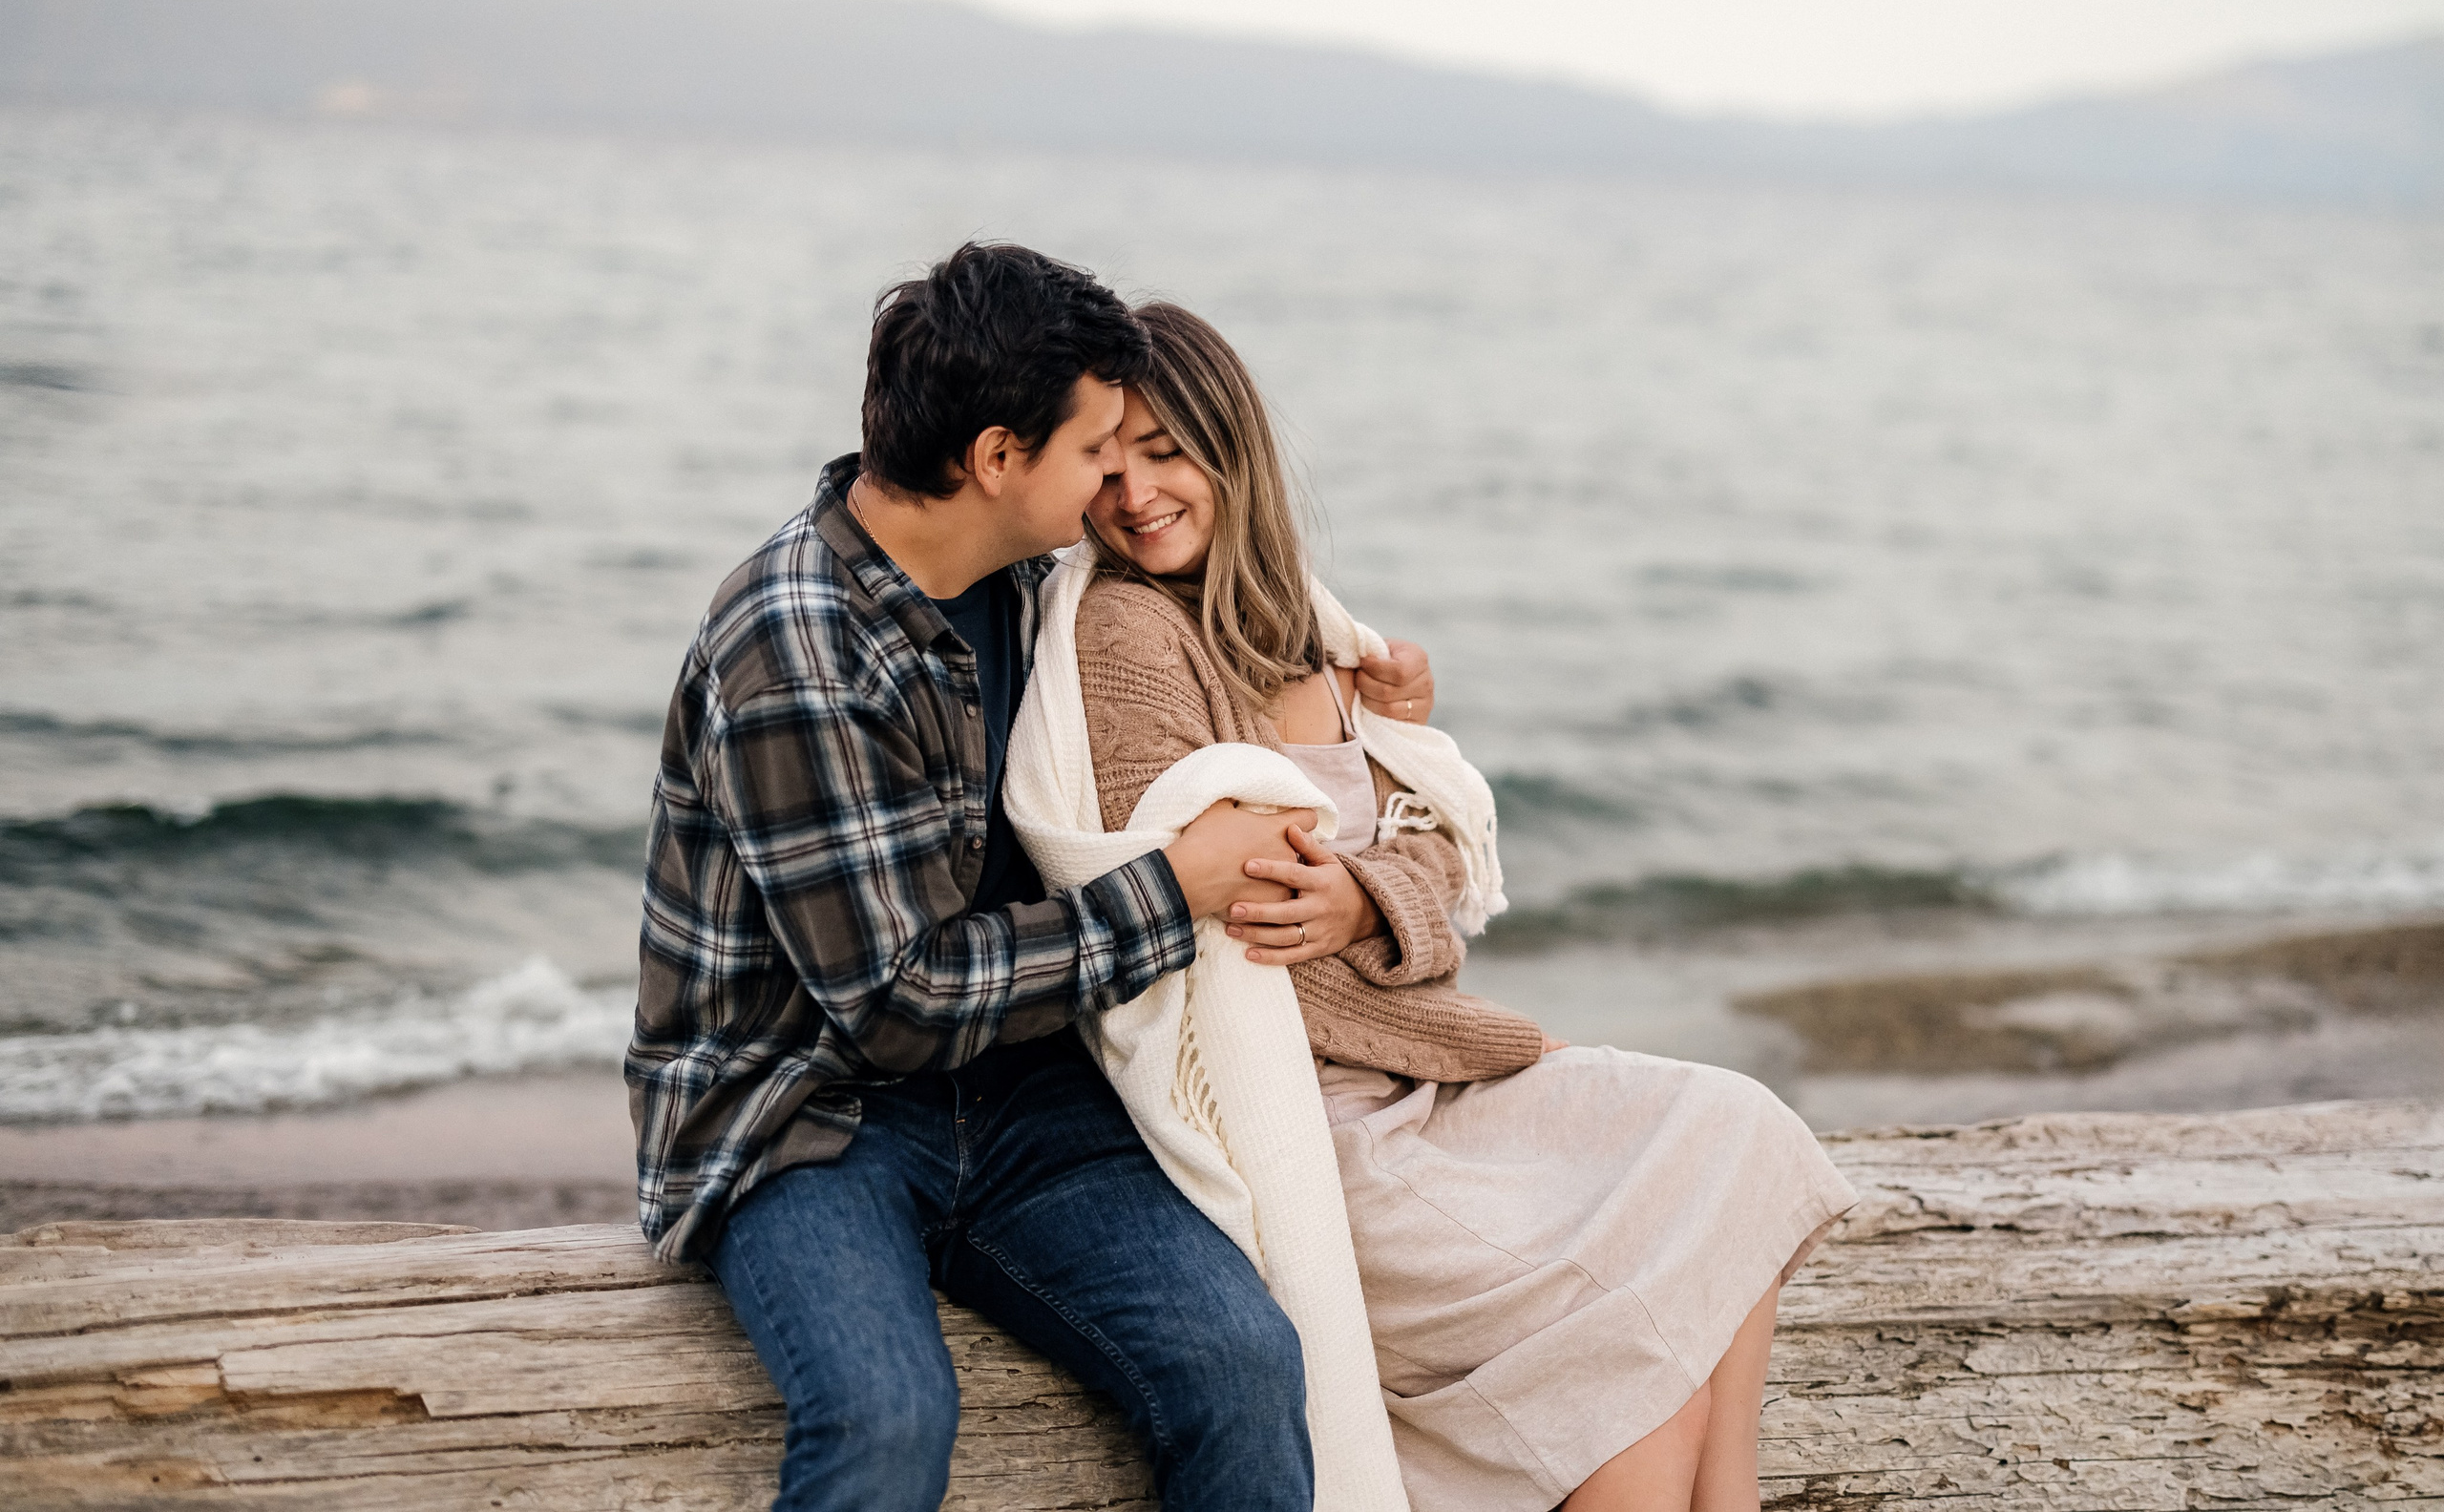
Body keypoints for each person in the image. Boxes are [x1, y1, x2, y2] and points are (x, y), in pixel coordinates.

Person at [625, 245, 1429, 1511]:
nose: (1120, 474)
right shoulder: (797, 644)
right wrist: (1176, 885)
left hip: (1028, 1088)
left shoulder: (1036, 583)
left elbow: (1233, 619)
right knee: (888, 1414)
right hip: (808, 1105)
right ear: (1001, 459)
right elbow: (895, 999)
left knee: (1241, 1358)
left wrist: (1370, 704)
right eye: (1098, 445)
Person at [1065, 302, 1860, 1512]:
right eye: (1107, 464)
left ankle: (1729, 1495)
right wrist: (1360, 904)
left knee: (1735, 1128)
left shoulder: (1318, 631)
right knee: (1631, 1361)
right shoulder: (1126, 626)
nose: (1135, 494)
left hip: (1422, 1073)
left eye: (1167, 452)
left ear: (1233, 452)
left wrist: (1369, 893)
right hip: (1314, 1114)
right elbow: (1232, 915)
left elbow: (1432, 852)